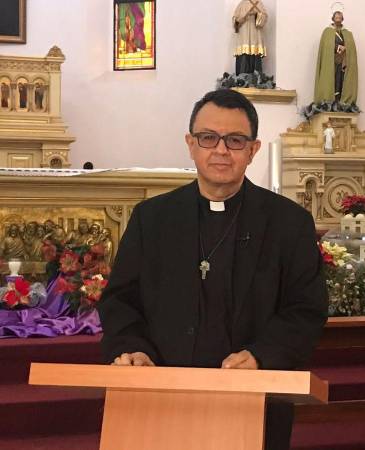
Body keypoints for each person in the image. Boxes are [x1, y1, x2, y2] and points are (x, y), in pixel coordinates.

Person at [97, 89, 329, 450]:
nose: (221, 150)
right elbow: (120, 300)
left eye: (235, 140)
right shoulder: (153, 219)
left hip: (253, 398)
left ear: (253, 149)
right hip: (160, 393)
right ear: (191, 144)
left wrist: (261, 356)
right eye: (208, 138)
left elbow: (306, 309)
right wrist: (132, 348)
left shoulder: (288, 223)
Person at [314, 10, 358, 104]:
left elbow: (351, 48)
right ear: (333, 19)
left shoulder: (347, 33)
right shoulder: (327, 32)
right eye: (336, 17)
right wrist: (337, 47)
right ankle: (329, 101)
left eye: (340, 17)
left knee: (340, 80)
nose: (338, 19)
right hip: (330, 61)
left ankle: (339, 101)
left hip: (342, 62)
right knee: (330, 80)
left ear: (342, 19)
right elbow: (326, 45)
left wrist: (345, 48)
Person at [233, 0, 268, 75]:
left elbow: (264, 17)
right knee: (243, 56)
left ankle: (255, 79)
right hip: (243, 35)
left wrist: (257, 15)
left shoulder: (259, 3)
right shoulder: (241, 4)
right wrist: (243, 16)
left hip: (254, 33)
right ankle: (241, 78)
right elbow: (235, 21)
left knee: (254, 54)